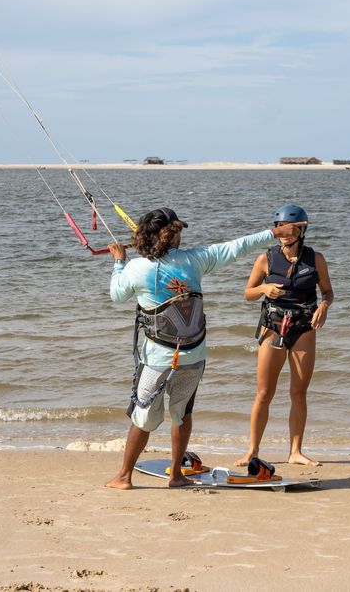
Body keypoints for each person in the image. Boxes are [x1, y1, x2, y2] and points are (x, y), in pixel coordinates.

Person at [104, 207, 305, 490]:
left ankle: (124, 477)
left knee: (142, 416)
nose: (181, 236)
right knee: (182, 414)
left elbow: (116, 295)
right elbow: (237, 246)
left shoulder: (137, 268)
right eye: (178, 231)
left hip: (157, 358)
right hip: (193, 355)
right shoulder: (195, 260)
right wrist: (274, 232)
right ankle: (176, 475)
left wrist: (119, 262)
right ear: (171, 235)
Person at [234, 204, 333, 468]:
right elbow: (248, 293)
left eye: (290, 229)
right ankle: (252, 451)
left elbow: (327, 292)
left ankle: (296, 452)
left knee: (299, 393)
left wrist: (324, 306)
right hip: (273, 326)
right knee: (264, 392)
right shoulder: (265, 259)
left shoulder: (316, 259)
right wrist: (264, 288)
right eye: (280, 228)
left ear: (302, 230)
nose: (284, 233)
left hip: (303, 328)